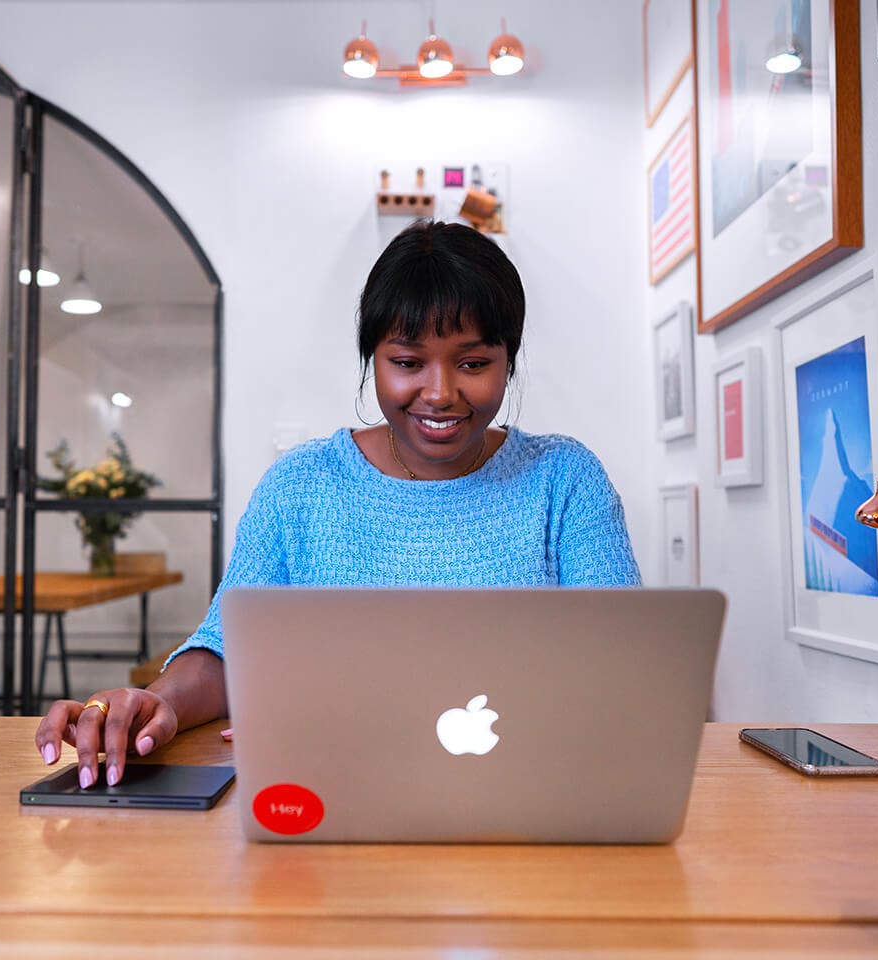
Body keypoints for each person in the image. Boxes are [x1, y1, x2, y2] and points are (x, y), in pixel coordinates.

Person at [34, 220, 641, 789]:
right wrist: (159, 700)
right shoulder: (301, 486)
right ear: (370, 360)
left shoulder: (565, 480)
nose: (440, 392)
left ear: (509, 360)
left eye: (474, 363)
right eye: (406, 363)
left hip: (526, 792)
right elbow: (229, 648)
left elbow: (621, 666)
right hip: (334, 797)